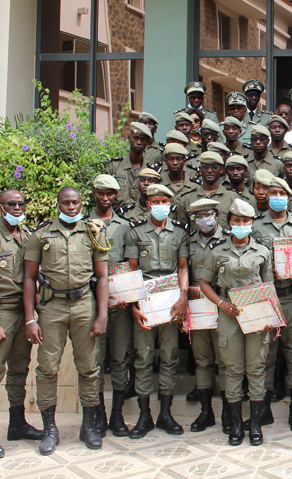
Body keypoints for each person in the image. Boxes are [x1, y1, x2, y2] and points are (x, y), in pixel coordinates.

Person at [23, 186, 109, 455]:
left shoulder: (93, 232)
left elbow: (103, 277)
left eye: (75, 203)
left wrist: (102, 315)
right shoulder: (41, 234)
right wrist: (29, 319)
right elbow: (28, 277)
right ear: (58, 204)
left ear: (81, 203)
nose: (71, 207)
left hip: (84, 304)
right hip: (52, 307)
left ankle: (89, 426)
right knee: (47, 367)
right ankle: (49, 428)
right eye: (66, 203)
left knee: (89, 367)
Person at [0, 188, 43, 458]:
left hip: (23, 313)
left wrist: (33, 316)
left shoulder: (26, 236)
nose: (17, 208)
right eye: (11, 204)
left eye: (21, 203)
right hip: (0, 313)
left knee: (18, 370)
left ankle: (17, 423)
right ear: (1, 207)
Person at [199, 199, 274, 446]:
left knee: (255, 368)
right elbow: (204, 283)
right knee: (232, 369)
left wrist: (270, 317)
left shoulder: (262, 251)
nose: (241, 225)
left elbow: (268, 287)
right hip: (229, 313)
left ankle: (253, 424)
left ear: (252, 223)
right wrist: (221, 303)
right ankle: (234, 425)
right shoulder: (217, 251)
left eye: (246, 221)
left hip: (256, 314)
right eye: (237, 221)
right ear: (229, 223)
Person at [126, 184, 189, 439]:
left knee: (170, 356)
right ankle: (144, 416)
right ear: (148, 203)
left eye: (165, 200)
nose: (160, 205)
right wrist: (133, 305)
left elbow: (183, 267)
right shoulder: (137, 232)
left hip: (171, 302)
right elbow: (132, 271)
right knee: (143, 358)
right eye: (155, 201)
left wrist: (183, 297)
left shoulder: (179, 233)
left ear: (170, 204)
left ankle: (165, 413)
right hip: (145, 302)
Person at [252, 177, 292, 433]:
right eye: (272, 192)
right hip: (266, 297)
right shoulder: (255, 226)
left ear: (288, 196)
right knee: (265, 355)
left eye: (281, 193)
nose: (276, 196)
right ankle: (263, 409)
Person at [88, 175, 133, 437]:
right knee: (95, 359)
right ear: (94, 193)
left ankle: (116, 416)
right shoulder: (84, 224)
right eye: (101, 193)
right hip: (91, 300)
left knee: (120, 357)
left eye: (111, 194)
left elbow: (130, 263)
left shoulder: (125, 226)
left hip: (120, 301)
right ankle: (97, 414)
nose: (106, 198)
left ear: (116, 196)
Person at [185, 198, 223, 434]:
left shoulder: (228, 240)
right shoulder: (188, 241)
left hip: (222, 305)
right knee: (202, 360)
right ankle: (206, 411)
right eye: (198, 217)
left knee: (226, 360)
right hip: (197, 307)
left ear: (216, 215)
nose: (203, 220)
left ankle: (230, 409)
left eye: (207, 215)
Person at [105, 122, 153, 207]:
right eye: (136, 138)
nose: (139, 142)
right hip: (117, 216)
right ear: (129, 138)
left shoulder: (151, 170)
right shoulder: (114, 166)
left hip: (142, 218)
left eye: (143, 140)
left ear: (147, 143)